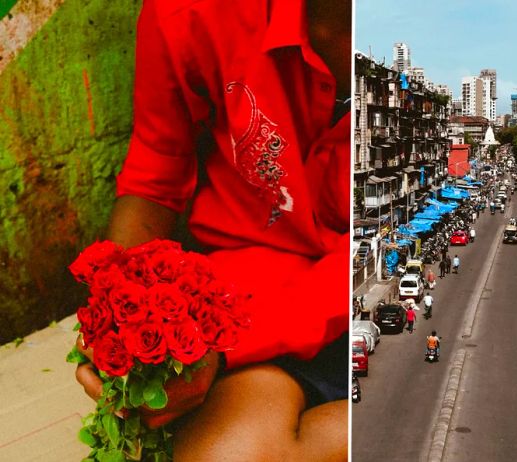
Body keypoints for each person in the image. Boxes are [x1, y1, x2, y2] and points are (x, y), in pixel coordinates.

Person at [74, 1, 351, 460]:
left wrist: (225, 345)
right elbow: (156, 169)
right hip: (249, 298)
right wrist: (116, 312)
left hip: (378, 291)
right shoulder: (188, 11)